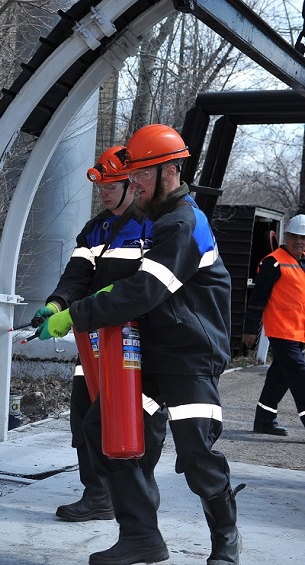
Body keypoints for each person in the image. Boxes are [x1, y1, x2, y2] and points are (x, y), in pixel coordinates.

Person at [39, 124, 241, 565]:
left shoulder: (185, 223)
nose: (133, 185)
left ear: (169, 171)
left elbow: (144, 291)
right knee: (102, 431)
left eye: (141, 177)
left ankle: (226, 544)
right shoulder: (149, 219)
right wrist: (66, 302)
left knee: (197, 456)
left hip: (189, 358)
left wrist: (73, 316)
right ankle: (142, 537)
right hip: (148, 356)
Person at [30, 146, 167, 523]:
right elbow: (76, 277)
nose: (103, 194)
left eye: (111, 186)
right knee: (86, 417)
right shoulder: (95, 230)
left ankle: (142, 491)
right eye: (101, 187)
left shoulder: (155, 228)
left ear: (132, 185)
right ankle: (97, 495)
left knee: (142, 419)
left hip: (140, 345)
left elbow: (147, 287)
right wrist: (57, 305)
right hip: (92, 343)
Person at [242, 213, 305, 436]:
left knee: (279, 377)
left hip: (298, 332)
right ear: (286, 236)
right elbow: (257, 299)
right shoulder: (273, 262)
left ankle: (264, 420)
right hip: (281, 329)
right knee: (299, 374)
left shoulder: (301, 263)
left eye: (303, 238)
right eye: (295, 236)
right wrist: (250, 329)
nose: (299, 241)